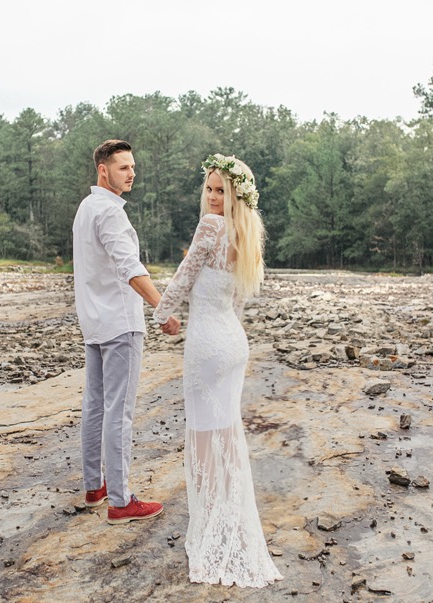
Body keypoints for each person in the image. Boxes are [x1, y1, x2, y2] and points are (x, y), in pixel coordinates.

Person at [152, 154, 283, 586]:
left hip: (207, 345)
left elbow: (184, 277)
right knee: (227, 434)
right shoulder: (248, 233)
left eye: (220, 190)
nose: (211, 197)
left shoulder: (211, 227)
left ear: (234, 196)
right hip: (233, 344)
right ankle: (226, 521)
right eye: (208, 188)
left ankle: (212, 530)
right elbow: (239, 301)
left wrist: (159, 316)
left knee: (206, 439)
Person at [72, 139, 180, 525]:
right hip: (119, 323)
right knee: (119, 411)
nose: (131, 173)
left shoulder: (87, 208)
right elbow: (130, 267)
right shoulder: (109, 213)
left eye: (133, 167)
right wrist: (162, 308)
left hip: (94, 321)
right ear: (103, 169)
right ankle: (120, 500)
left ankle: (94, 487)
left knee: (96, 406)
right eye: (123, 167)